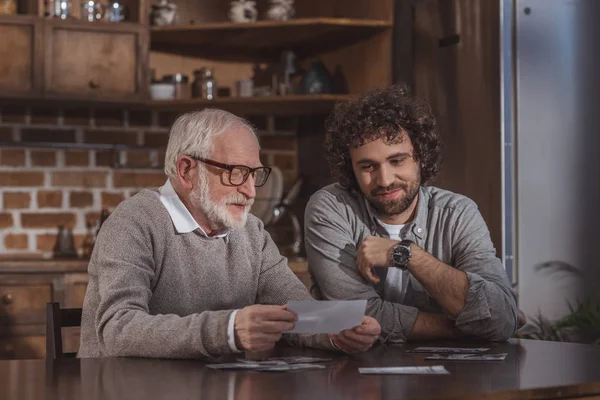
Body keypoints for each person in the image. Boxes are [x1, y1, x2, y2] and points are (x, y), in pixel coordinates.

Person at [78, 109, 380, 359]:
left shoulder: (250, 232)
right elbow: (117, 330)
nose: (250, 191)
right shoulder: (134, 222)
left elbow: (298, 312)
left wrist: (337, 331)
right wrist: (227, 329)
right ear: (186, 170)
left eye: (254, 174)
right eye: (236, 172)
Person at [304, 85, 519, 343]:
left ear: (421, 156)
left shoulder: (458, 213)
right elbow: (356, 316)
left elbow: (500, 316)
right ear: (350, 169)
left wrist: (407, 254)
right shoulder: (331, 208)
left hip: (454, 379)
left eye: (397, 161)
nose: (384, 180)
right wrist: (465, 326)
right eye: (368, 166)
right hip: (346, 373)